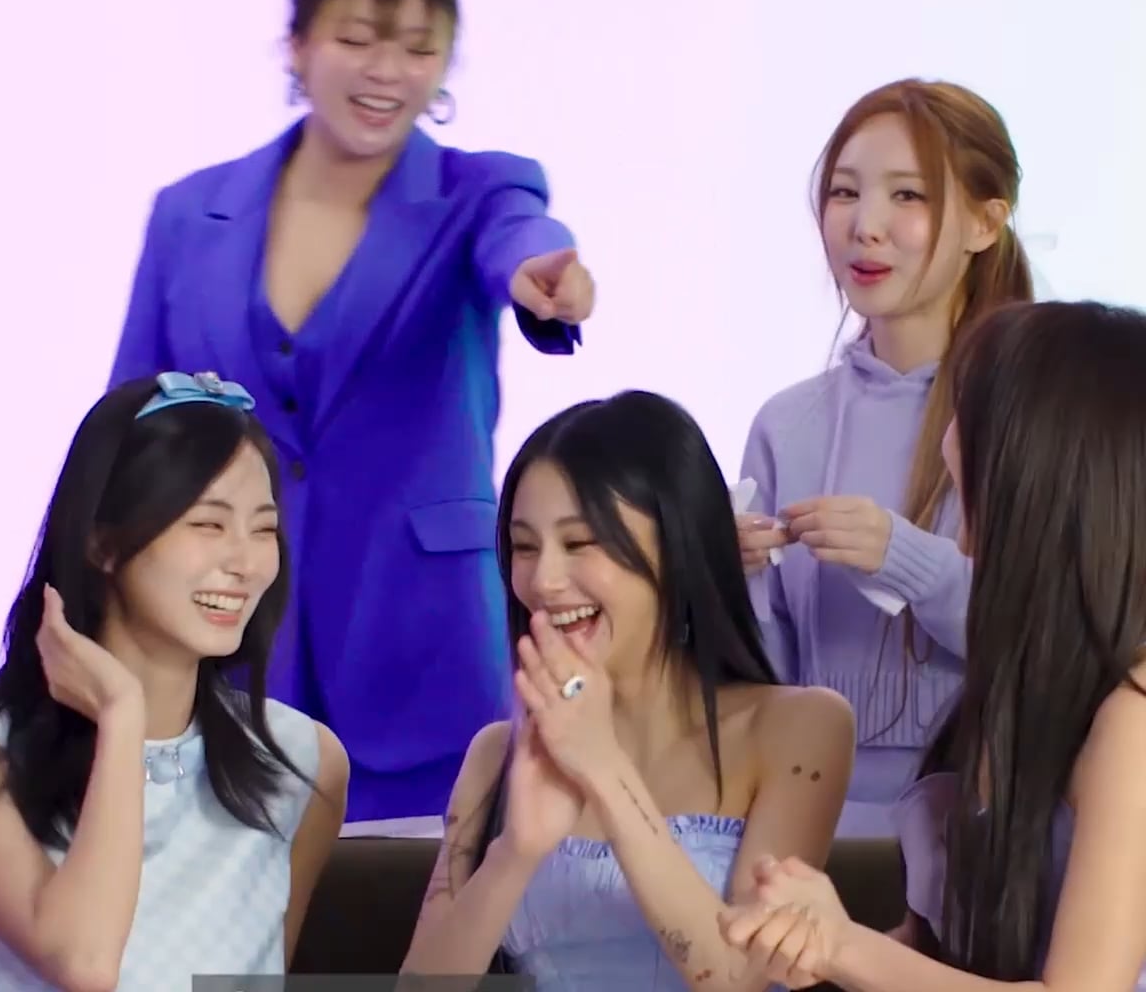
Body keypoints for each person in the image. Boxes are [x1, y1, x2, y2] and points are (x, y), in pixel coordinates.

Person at [106, 0, 596, 827]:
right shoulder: (188, 215)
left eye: (419, 48)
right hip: (226, 639)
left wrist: (544, 275)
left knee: (428, 901)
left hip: (421, 646)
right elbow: (128, 427)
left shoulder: (478, 193)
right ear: (298, 45)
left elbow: (521, 237)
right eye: (358, 39)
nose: (387, 73)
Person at [0, 373, 347, 992]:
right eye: (207, 525)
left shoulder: (302, 759)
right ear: (102, 544)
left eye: (264, 529)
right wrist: (121, 717)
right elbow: (84, 964)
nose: (245, 562)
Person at [722, 300, 1146, 989]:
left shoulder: (1132, 719)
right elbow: (941, 957)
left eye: (963, 414)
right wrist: (810, 943)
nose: (945, 432)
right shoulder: (1008, 690)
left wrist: (841, 946)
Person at [402, 391, 854, 988]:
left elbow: (737, 979)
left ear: (678, 550)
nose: (544, 580)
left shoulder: (801, 728)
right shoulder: (495, 755)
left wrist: (603, 770)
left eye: (580, 543)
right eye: (525, 546)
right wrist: (516, 851)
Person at [734, 78, 1033, 837]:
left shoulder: (1036, 413)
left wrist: (905, 558)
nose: (865, 227)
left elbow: (1061, 646)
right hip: (803, 834)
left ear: (985, 222)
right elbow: (761, 685)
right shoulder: (786, 424)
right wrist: (737, 585)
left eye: (908, 195)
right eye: (844, 193)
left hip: (986, 836)